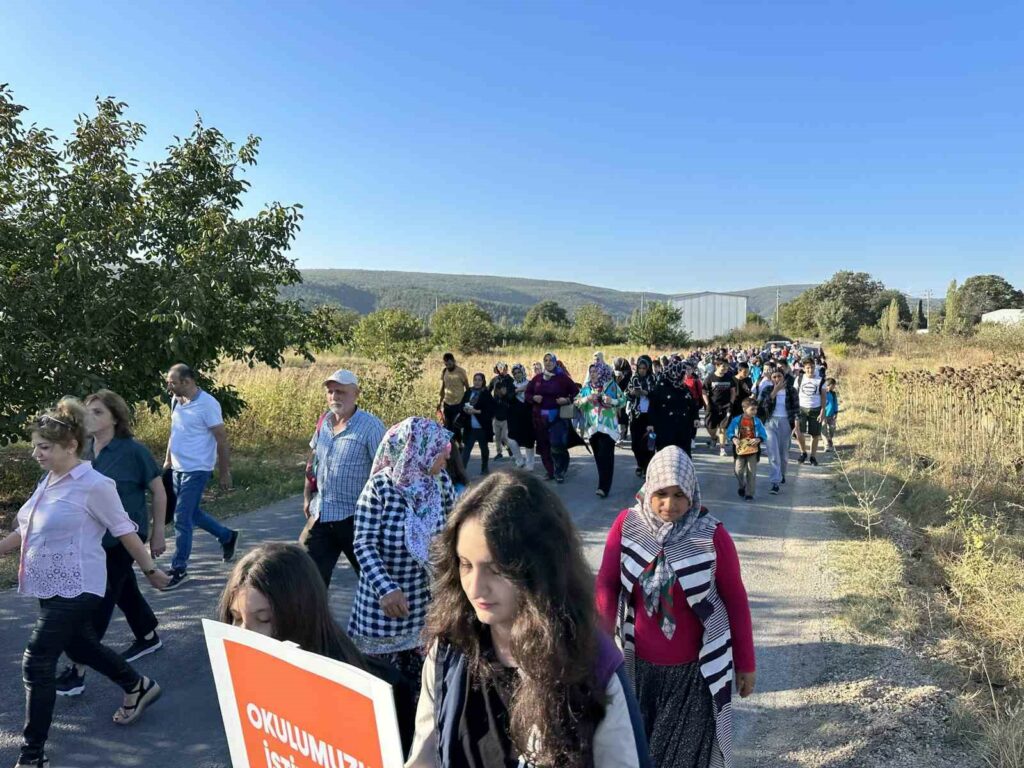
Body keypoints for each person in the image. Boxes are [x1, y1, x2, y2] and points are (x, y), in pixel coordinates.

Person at [406, 471, 652, 768]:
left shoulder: (592, 665)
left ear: (541, 568)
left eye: (495, 569)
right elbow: (423, 758)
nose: (474, 587)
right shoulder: (450, 649)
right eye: (465, 565)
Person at [0, 400, 171, 767]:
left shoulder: (94, 484)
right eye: (35, 446)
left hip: (79, 587)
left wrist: (149, 568)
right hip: (48, 586)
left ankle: (32, 757)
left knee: (37, 662)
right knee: (82, 648)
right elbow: (25, 529)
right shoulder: (48, 481)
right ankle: (137, 684)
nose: (35, 454)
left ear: (70, 446)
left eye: (43, 447)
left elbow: (125, 529)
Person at [595, 446, 755, 768]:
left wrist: (745, 663)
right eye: (662, 494)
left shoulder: (711, 535)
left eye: (680, 495)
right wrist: (598, 653)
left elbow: (735, 600)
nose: (670, 504)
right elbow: (607, 586)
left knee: (683, 759)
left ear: (692, 492)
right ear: (649, 489)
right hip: (639, 671)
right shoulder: (628, 527)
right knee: (638, 753)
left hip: (694, 675)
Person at [218, 542, 415, 755]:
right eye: (237, 618)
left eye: (264, 619)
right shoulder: (246, 689)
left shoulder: (384, 694)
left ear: (302, 615)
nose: (245, 634)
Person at [54, 391, 167, 698]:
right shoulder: (86, 450)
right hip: (93, 538)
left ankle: (77, 670)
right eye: (87, 412)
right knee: (123, 587)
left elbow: (159, 492)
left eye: (98, 412)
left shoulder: (133, 452)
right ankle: (147, 633)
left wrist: (158, 534)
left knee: (99, 602)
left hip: (123, 538)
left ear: (115, 418)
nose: (89, 417)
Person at [349, 417, 457, 690]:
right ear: (416, 450)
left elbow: (453, 531)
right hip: (384, 611)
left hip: (425, 607)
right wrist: (386, 589)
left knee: (425, 691)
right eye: (439, 448)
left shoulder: (440, 482)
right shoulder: (379, 488)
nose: (446, 454)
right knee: (383, 691)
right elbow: (363, 544)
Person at [301, 369, 387, 588]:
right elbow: (313, 460)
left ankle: (377, 621)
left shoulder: (371, 427)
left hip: (357, 519)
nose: (334, 397)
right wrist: (307, 495)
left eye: (340, 391)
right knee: (306, 581)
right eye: (330, 392)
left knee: (374, 584)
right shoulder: (325, 422)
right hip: (322, 514)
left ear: (356, 393)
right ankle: (311, 622)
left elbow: (385, 472)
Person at [162, 363, 238, 589]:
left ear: (187, 381)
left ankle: (179, 567)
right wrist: (167, 460)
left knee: (182, 518)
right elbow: (174, 432)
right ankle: (226, 536)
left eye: (172, 382)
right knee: (191, 513)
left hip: (197, 469)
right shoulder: (176, 401)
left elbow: (222, 440)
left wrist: (224, 472)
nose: (169, 386)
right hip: (177, 468)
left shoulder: (208, 404)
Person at [576, 360, 628, 498]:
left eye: (595, 371)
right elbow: (577, 401)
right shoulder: (587, 387)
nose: (592, 374)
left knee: (607, 457)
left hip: (608, 427)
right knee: (599, 458)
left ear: (602, 372)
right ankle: (602, 482)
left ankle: (604, 487)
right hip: (592, 428)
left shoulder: (611, 386)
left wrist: (612, 401)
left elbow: (623, 400)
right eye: (591, 371)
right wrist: (587, 398)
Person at [525, 353, 580, 483]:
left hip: (558, 417)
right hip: (540, 418)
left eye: (551, 360)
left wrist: (566, 399)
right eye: (545, 360)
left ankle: (560, 470)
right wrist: (533, 398)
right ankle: (551, 471)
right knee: (544, 446)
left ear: (555, 362)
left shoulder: (562, 378)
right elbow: (528, 393)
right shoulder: (537, 378)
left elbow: (576, 392)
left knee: (557, 445)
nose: (548, 362)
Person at [758, 369, 799, 496]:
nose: (777, 379)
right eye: (774, 377)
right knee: (773, 453)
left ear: (783, 377)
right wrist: (774, 392)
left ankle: (782, 474)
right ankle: (775, 482)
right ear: (771, 379)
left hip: (786, 422)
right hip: (770, 423)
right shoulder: (767, 390)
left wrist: (797, 424)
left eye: (779, 376)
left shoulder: (791, 390)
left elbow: (796, 408)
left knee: (784, 454)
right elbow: (763, 406)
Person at [648, 359, 700, 457]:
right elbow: (652, 407)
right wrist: (650, 424)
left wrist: (696, 417)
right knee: (665, 456)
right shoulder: (660, 388)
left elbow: (692, 405)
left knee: (683, 455)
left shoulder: (684, 388)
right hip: (665, 428)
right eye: (682, 374)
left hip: (683, 428)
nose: (683, 376)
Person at [726, 398, 769, 501]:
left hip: (753, 450)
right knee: (738, 471)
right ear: (744, 409)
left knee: (751, 471)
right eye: (752, 409)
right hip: (740, 449)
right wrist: (734, 438)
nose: (755, 411)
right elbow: (729, 431)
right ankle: (742, 485)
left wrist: (759, 438)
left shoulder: (757, 421)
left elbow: (764, 434)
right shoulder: (736, 420)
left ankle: (750, 493)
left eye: (756, 409)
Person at [460, 373, 496, 475]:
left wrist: (476, 411)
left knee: (484, 449)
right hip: (469, 427)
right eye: (475, 379)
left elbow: (490, 410)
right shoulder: (468, 392)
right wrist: (465, 409)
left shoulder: (486, 393)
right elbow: (462, 404)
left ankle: (484, 468)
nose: (477, 382)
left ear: (483, 381)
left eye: (479, 380)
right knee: (466, 449)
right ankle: (462, 472)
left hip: (482, 427)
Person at [627, 355, 657, 477]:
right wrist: (633, 393)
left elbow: (657, 396)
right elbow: (626, 395)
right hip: (636, 415)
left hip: (649, 416)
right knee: (635, 444)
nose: (642, 370)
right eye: (640, 368)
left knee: (649, 443)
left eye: (644, 368)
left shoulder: (653, 378)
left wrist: (646, 393)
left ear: (648, 368)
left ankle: (647, 466)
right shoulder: (633, 379)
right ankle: (640, 463)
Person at [795, 358, 827, 466]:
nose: (810, 370)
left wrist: (823, 411)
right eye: (808, 368)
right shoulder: (799, 379)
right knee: (798, 431)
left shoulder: (820, 380)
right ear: (804, 369)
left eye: (812, 367)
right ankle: (803, 452)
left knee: (815, 434)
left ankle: (813, 456)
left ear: (815, 367)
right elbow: (795, 394)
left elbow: (823, 397)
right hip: (801, 408)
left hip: (816, 409)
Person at [703, 358, 737, 457]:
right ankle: (714, 438)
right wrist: (707, 403)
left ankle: (722, 449)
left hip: (726, 406)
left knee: (723, 428)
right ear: (717, 366)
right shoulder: (710, 378)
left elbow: (733, 391)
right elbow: (704, 391)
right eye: (723, 366)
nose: (725, 368)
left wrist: (731, 402)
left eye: (727, 366)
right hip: (713, 406)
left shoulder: (729, 377)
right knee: (710, 427)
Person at [507, 364, 536, 471]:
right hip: (514, 417)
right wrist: (518, 390)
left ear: (523, 372)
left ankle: (530, 464)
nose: (517, 375)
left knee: (529, 440)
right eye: (515, 373)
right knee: (511, 439)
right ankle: (519, 460)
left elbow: (534, 398)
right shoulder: (511, 385)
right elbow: (508, 398)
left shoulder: (530, 384)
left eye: (519, 372)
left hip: (528, 416)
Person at [437, 353, 471, 443]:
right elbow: (442, 387)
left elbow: (467, 388)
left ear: (454, 361)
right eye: (446, 364)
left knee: (456, 426)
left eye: (450, 364)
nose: (448, 366)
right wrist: (439, 402)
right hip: (447, 403)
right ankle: (451, 448)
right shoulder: (444, 371)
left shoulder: (461, 372)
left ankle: (460, 444)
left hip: (458, 403)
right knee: (448, 426)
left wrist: (468, 402)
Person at [488, 363, 517, 462]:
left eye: (504, 367)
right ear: (497, 369)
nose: (502, 369)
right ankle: (499, 453)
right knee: (497, 436)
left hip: (507, 411)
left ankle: (511, 450)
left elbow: (514, 393)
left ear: (506, 368)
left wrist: (508, 397)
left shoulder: (510, 380)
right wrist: (491, 401)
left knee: (505, 436)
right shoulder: (494, 380)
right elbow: (488, 391)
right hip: (496, 411)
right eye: (500, 368)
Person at [614, 357, 634, 444]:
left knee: (620, 416)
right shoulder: (628, 372)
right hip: (624, 397)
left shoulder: (620, 374)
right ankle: (623, 433)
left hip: (620, 397)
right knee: (623, 415)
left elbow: (617, 385)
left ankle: (621, 435)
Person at [823, 378, 840, 452]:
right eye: (833, 386)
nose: (834, 387)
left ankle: (829, 439)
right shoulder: (822, 393)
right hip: (823, 415)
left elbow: (835, 403)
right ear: (829, 385)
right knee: (823, 429)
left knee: (832, 428)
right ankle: (826, 444)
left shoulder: (833, 394)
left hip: (832, 415)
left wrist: (836, 412)